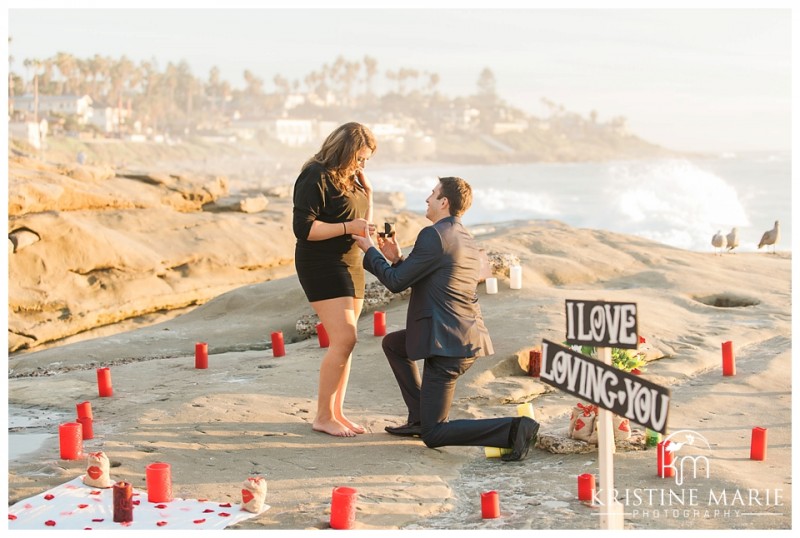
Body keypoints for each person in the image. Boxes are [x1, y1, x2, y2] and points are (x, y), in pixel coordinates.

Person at [352, 177, 539, 461]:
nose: (427, 199)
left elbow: (396, 283)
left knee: (434, 433)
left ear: (444, 202)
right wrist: (397, 258)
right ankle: (417, 417)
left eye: (432, 194)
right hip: (458, 335)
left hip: (448, 346)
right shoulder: (462, 237)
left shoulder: (434, 235)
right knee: (394, 344)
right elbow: (426, 277)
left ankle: (515, 430)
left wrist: (371, 251)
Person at [292, 122, 377, 437]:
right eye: (360, 158)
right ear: (344, 150)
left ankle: (336, 412)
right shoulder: (315, 175)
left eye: (366, 160)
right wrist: (346, 228)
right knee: (345, 338)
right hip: (320, 263)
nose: (362, 165)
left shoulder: (352, 179)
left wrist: (369, 193)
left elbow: (362, 226)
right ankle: (322, 416)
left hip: (350, 262)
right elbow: (304, 229)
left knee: (348, 342)